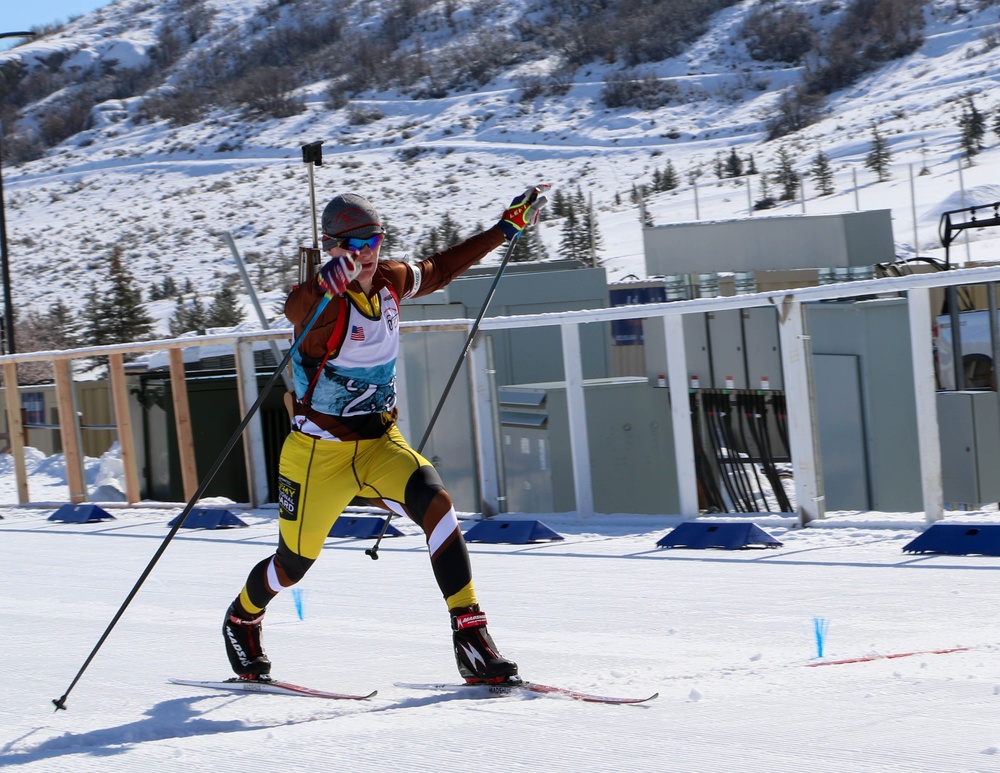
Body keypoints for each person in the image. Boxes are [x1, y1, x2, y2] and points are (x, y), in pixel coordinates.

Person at [223, 185, 549, 684]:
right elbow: (297, 307)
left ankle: (471, 638)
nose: (367, 255)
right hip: (317, 457)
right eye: (353, 247)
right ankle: (243, 617)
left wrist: (503, 230)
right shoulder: (323, 304)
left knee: (437, 505)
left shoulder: (391, 281)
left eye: (374, 242)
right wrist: (324, 285)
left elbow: (440, 270)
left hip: (378, 445)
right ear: (332, 249)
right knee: (292, 565)